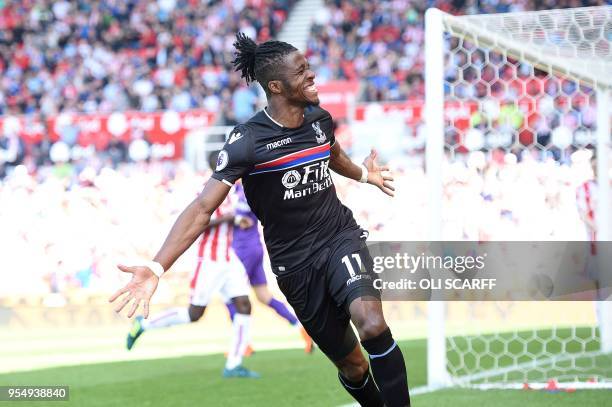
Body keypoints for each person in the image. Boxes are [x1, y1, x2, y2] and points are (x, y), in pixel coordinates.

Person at [110, 33, 410, 406]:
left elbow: (331, 154)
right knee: (353, 366)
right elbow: (203, 208)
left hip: (339, 238)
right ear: (276, 85)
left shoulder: (319, 119)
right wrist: (156, 267)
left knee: (373, 325)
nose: (312, 75)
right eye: (302, 71)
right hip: (295, 265)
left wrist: (364, 176)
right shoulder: (247, 141)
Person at [125, 154, 259, 378]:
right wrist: (232, 220)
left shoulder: (232, 190)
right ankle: (144, 324)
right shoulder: (207, 189)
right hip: (209, 260)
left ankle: (234, 364)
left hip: (229, 257)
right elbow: (201, 222)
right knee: (194, 313)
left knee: (245, 305)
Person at [229, 181, 314, 354]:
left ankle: (243, 344)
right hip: (252, 247)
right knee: (264, 296)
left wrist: (233, 218)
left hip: (243, 249)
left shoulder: (244, 190)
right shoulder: (238, 188)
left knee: (231, 295)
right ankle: (302, 328)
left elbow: (243, 218)